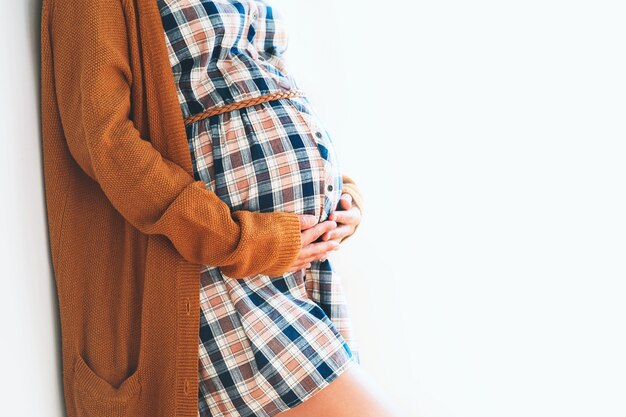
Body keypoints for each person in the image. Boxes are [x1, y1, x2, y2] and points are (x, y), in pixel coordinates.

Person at [41, 0, 401, 415]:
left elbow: (260, 79)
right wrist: (240, 240)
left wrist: (340, 195)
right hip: (219, 271)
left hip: (295, 264)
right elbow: (105, 142)